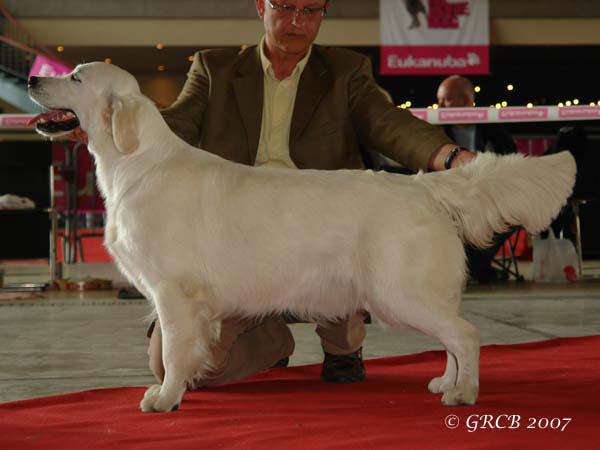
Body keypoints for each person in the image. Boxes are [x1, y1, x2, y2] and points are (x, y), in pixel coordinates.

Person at [70, 0, 476, 387]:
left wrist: (449, 155)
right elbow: (175, 124)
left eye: (311, 10)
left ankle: (342, 344)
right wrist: (103, 123)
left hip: (319, 224)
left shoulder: (345, 70)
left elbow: (388, 123)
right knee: (171, 367)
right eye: (286, 7)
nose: (298, 21)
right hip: (237, 236)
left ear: (322, 13)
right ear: (262, 7)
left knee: (349, 237)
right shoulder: (215, 68)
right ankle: (273, 338)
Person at [436, 75, 517, 283]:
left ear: (464, 101)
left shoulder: (491, 127)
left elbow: (510, 158)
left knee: (512, 212)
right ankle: (473, 268)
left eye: (444, 100)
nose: (439, 106)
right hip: (448, 198)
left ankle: (474, 266)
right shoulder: (436, 131)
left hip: (488, 197)